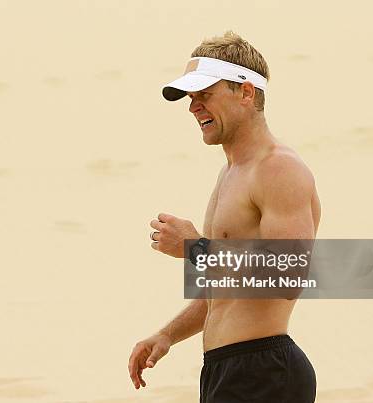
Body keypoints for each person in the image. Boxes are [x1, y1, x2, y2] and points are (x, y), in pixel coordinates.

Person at [127, 31, 321, 403]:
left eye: (204, 95)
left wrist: (195, 248)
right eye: (190, 98)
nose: (192, 107)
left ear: (246, 92)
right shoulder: (231, 173)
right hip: (226, 370)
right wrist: (168, 334)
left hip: (264, 371)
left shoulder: (279, 169)